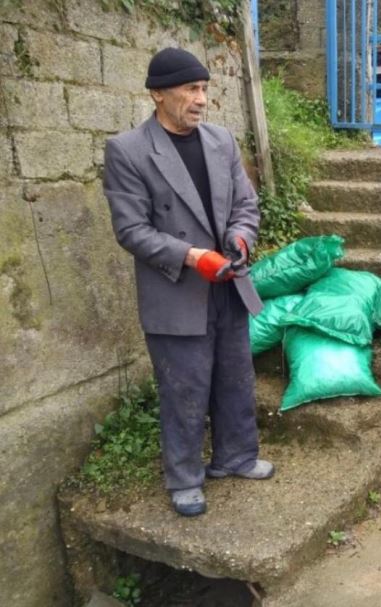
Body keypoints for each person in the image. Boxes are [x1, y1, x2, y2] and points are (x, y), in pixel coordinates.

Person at [103, 47, 274, 517]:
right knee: (183, 388)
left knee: (235, 376)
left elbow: (245, 205)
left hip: (228, 283)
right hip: (177, 290)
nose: (201, 99)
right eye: (190, 89)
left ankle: (235, 457)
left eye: (204, 89)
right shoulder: (129, 151)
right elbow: (131, 230)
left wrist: (239, 239)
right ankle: (184, 477)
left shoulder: (221, 141)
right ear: (158, 94)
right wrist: (192, 256)